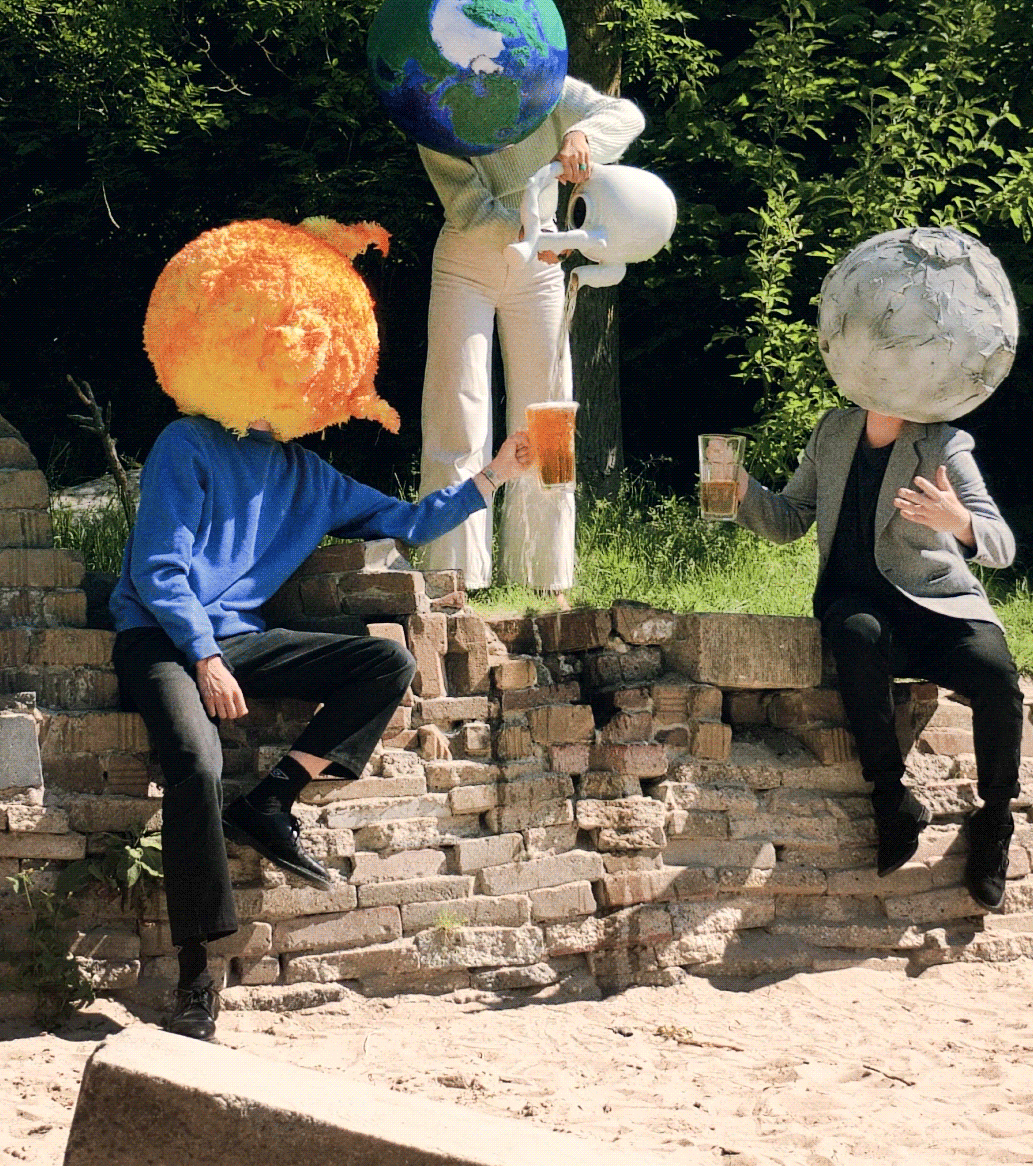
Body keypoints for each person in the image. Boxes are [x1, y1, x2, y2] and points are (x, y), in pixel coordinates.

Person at [111, 413, 531, 1041]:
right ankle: (196, 978)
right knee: (197, 766)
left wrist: (496, 474)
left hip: (235, 641)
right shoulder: (187, 441)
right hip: (158, 637)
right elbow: (157, 570)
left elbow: (409, 521)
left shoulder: (307, 474)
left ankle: (270, 801)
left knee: (387, 663)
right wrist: (204, 656)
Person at [734, 407, 1022, 907]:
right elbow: (790, 519)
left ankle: (995, 819)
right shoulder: (833, 430)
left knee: (997, 674)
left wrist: (960, 523)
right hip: (860, 605)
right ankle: (892, 801)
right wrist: (741, 488)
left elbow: (1003, 546)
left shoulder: (944, 443)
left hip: (938, 607)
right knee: (856, 634)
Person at [417, 76, 645, 592]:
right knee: (458, 412)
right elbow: (468, 206)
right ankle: (452, 578)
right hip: (468, 259)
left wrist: (581, 135)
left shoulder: (541, 77)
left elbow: (628, 116)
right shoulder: (435, 94)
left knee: (548, 416)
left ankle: (545, 577)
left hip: (539, 266)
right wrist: (530, 233)